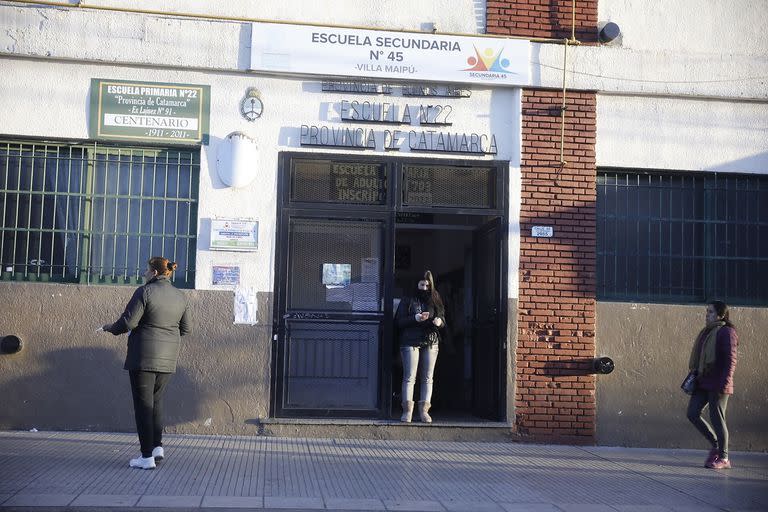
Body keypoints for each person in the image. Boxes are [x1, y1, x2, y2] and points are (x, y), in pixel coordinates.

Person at [100, 257, 192, 470]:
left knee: (143, 407)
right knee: (156, 403)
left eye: (146, 270)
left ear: (154, 272)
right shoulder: (180, 296)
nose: (144, 273)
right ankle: (157, 447)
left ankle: (146, 456)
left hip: (143, 357)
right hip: (168, 359)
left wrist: (109, 327)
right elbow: (186, 329)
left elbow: (128, 323)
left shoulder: (144, 292)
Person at [686, 300, 738, 469]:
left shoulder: (727, 332)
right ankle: (716, 444)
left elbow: (731, 361)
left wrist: (724, 383)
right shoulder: (706, 332)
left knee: (717, 418)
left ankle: (724, 457)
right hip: (703, 381)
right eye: (706, 312)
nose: (707, 315)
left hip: (719, 383)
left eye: (710, 312)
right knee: (692, 413)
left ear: (721, 315)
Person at [395, 270, 445, 423]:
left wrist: (439, 322)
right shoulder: (408, 299)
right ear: (416, 284)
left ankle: (424, 412)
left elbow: (443, 318)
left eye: (427, 285)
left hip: (430, 340)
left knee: (428, 378)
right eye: (422, 284)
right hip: (410, 341)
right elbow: (399, 321)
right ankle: (407, 411)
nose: (424, 288)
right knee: (410, 377)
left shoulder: (435, 298)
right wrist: (415, 318)